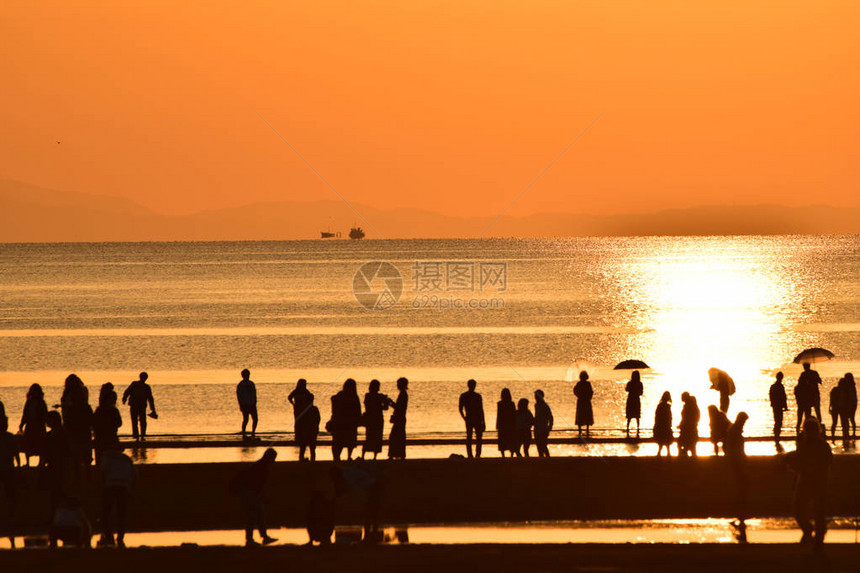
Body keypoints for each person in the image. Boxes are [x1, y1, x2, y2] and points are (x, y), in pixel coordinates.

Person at [786, 417, 832, 546]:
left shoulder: (809, 446)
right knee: (813, 511)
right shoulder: (821, 446)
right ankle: (815, 534)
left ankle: (812, 532)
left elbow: (799, 463)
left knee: (803, 509)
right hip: (814, 482)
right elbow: (827, 463)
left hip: (809, 481)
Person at [229, 448, 278, 547]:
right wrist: (263, 497)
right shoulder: (262, 468)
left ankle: (262, 537)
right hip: (248, 493)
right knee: (253, 516)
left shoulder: (259, 465)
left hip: (248, 492)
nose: (274, 461)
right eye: (273, 458)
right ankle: (252, 539)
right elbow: (257, 484)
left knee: (258, 515)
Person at [98, 448, 135, 547]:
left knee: (107, 510)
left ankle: (108, 534)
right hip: (123, 485)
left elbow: (103, 471)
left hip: (110, 485)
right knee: (121, 511)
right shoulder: (127, 458)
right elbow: (133, 473)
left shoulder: (107, 458)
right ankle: (120, 535)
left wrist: (102, 484)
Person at [61, 374, 93, 476]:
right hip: (82, 429)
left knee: (75, 452)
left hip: (74, 428)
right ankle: (86, 473)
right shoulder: (83, 398)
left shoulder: (68, 395)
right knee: (84, 453)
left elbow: (66, 414)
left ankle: (78, 473)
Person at [725, 412, 749, 543]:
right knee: (741, 487)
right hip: (737, 463)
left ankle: (740, 514)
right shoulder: (735, 431)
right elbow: (735, 449)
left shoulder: (733, 430)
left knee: (741, 487)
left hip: (737, 462)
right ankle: (740, 512)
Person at [42, 411, 70, 514]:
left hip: (60, 465)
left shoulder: (62, 434)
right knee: (54, 491)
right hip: (52, 465)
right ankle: (55, 513)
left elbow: (67, 451)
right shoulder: (50, 435)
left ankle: (59, 513)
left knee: (58, 490)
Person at [0, 414, 20, 548]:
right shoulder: (10, 437)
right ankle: (12, 519)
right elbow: (16, 453)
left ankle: (10, 519)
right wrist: (18, 465)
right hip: (8, 469)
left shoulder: (9, 437)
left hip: (6, 469)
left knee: (9, 494)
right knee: (10, 495)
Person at [329, 379, 361, 461]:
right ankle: (348, 457)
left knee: (339, 442)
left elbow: (334, 405)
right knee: (348, 441)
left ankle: (337, 457)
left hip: (341, 422)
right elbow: (358, 410)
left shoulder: (341, 395)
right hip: (349, 422)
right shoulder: (353, 396)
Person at [18, 383, 48, 467]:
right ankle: (27, 463)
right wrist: (21, 424)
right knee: (28, 444)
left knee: (40, 444)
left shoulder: (41, 402)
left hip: (39, 426)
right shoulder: (29, 402)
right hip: (30, 425)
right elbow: (25, 414)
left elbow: (45, 414)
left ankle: (41, 462)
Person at [92, 383, 122, 465]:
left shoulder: (100, 410)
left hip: (101, 439)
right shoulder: (112, 411)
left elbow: (94, 424)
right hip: (109, 438)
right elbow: (119, 423)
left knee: (101, 461)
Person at [122, 372, 156, 442]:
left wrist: (124, 398)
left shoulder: (135, 384)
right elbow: (150, 399)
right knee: (142, 421)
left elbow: (127, 391)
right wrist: (153, 409)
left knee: (135, 420)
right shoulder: (145, 386)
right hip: (140, 406)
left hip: (136, 405)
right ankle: (141, 435)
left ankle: (137, 435)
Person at [362, 380, 390, 460]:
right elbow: (385, 408)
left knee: (369, 437)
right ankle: (374, 457)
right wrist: (385, 402)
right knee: (377, 437)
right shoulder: (379, 396)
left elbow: (367, 406)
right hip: (377, 419)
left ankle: (363, 455)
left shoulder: (368, 395)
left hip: (370, 418)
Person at [459, 379, 485, 458]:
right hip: (473, 418)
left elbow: (460, 409)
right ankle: (475, 454)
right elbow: (481, 409)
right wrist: (483, 421)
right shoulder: (476, 396)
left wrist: (464, 418)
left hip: (472, 418)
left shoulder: (465, 395)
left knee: (472, 437)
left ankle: (473, 454)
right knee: (475, 437)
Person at [388, 378, 409, 460]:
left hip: (400, 418)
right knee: (399, 436)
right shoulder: (403, 394)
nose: (397, 385)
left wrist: (391, 403)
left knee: (395, 436)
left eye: (398, 383)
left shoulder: (403, 394)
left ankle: (394, 455)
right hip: (401, 418)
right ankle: (399, 454)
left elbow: (399, 408)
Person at [235, 369, 258, 441]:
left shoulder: (251, 383)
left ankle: (253, 432)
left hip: (252, 404)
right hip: (245, 404)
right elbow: (239, 396)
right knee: (246, 419)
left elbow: (254, 394)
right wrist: (241, 405)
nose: (247, 376)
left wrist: (255, 402)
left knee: (255, 419)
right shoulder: (240, 385)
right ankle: (244, 433)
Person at [296, 394, 320, 462]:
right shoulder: (314, 409)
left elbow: (299, 421)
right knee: (312, 448)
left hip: (305, 430)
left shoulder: (302, 409)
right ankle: (312, 460)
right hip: (312, 430)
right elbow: (318, 419)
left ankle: (302, 459)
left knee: (303, 447)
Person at [677, 392, 700, 458]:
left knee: (682, 444)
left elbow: (686, 418)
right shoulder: (692, 406)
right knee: (691, 447)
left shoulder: (688, 407)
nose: (681, 398)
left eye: (682, 397)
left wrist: (683, 424)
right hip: (691, 429)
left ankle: (683, 458)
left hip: (688, 430)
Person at [495, 388, 517, 457]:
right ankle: (511, 455)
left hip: (503, 424)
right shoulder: (512, 403)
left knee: (502, 439)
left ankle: (503, 455)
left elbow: (499, 415)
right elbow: (514, 415)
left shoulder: (500, 404)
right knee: (511, 439)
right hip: (510, 424)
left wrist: (497, 425)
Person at [769, 372, 788, 444]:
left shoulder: (773, 386)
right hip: (778, 406)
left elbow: (771, 396)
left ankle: (776, 435)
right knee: (779, 421)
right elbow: (783, 397)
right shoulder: (780, 386)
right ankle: (777, 436)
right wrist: (785, 406)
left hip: (775, 406)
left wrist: (773, 404)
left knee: (777, 420)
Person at [573, 371, 594, 438]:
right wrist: (589, 397)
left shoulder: (579, 384)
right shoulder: (587, 384)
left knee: (581, 414)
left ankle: (580, 431)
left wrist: (579, 395)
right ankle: (587, 429)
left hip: (581, 401)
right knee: (586, 414)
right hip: (586, 401)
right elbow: (591, 392)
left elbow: (575, 390)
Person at [533, 390, 554, 458]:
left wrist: (550, 427)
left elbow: (550, 417)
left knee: (543, 445)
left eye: (536, 396)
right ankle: (542, 458)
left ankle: (547, 458)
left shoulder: (544, 405)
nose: (535, 397)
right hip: (537, 428)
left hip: (543, 428)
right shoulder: (536, 405)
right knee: (539, 446)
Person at [653, 391, 673, 456]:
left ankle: (660, 451)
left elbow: (656, 416)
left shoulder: (660, 406)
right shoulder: (668, 406)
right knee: (667, 438)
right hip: (665, 425)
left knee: (662, 438)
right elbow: (670, 417)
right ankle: (668, 452)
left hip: (660, 425)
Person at [625, 371, 644, 439]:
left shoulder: (630, 383)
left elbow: (626, 389)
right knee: (637, 416)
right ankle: (638, 429)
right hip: (636, 399)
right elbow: (641, 392)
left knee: (629, 416)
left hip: (630, 399)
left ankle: (627, 428)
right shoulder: (639, 383)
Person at [838, 373, 856, 439]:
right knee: (850, 419)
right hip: (849, 405)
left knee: (849, 419)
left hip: (850, 405)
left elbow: (851, 397)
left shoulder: (850, 386)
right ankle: (848, 432)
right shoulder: (850, 386)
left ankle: (849, 432)